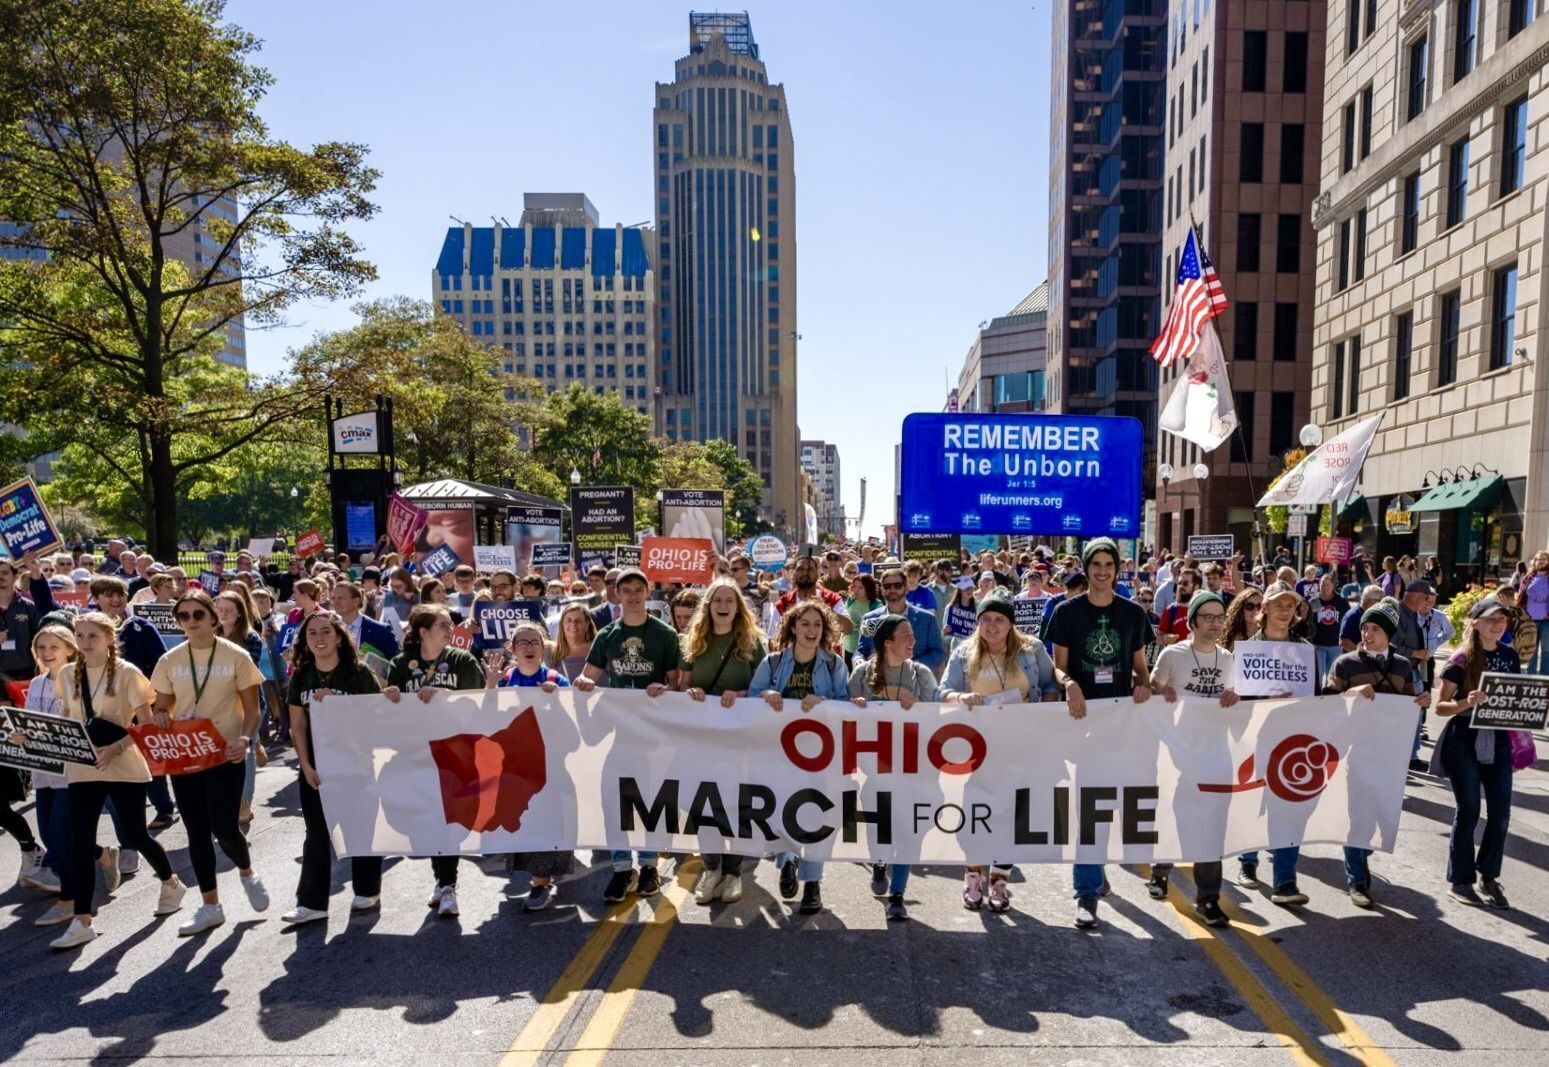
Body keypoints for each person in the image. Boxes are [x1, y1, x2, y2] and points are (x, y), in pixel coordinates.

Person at [43, 613, 188, 948]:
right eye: (80, 636)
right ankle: (82, 921)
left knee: (136, 835)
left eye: (92, 635)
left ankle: (170, 881)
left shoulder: (127, 673)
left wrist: (115, 748)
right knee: (80, 842)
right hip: (83, 767)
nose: (85, 642)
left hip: (123, 765)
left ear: (109, 638)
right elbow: (68, 717)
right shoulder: (68, 674)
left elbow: (146, 725)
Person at [1046, 538, 1155, 929]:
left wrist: (1143, 685)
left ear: (1118, 568)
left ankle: (1097, 868)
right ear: (1086, 567)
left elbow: (1141, 667)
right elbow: (1057, 668)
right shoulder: (1065, 612)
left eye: (1110, 564)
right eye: (1097, 564)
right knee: (1090, 807)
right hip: (1082, 722)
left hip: (1122, 723)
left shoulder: (1132, 614)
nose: (1103, 571)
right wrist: (1069, 683)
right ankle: (1086, 893)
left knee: (1116, 805)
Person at [149, 590, 269, 936]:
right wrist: (160, 716)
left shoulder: (235, 655)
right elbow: (163, 706)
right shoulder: (170, 660)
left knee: (225, 827)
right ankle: (210, 905)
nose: (191, 622)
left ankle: (247, 871)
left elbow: (253, 708)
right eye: (183, 616)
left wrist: (245, 740)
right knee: (196, 831)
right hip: (185, 754)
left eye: (197, 615)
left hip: (224, 753)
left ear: (213, 617)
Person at [572, 567, 680, 903]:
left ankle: (648, 866)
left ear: (647, 593)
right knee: (614, 800)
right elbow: (588, 678)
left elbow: (676, 682)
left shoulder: (664, 634)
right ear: (616, 595)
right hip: (617, 734)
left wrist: (665, 687)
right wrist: (585, 683)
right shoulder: (607, 636)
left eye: (638, 589)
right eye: (626, 590)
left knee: (651, 799)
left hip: (653, 732)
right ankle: (622, 868)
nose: (632, 595)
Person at [382, 604, 489, 917]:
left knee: (449, 820)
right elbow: (394, 711)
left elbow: (478, 704)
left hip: (455, 754)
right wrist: (389, 697)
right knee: (426, 822)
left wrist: (443, 693)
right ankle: (442, 880)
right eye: (442, 624)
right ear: (423, 632)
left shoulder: (462, 660)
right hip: (415, 754)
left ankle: (448, 885)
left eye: (449, 624)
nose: (449, 629)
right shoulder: (401, 664)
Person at [1322, 599, 1431, 908]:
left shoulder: (1402, 666)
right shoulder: (1345, 663)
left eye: (1375, 629)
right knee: (1356, 817)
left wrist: (1420, 702)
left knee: (1376, 817)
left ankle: (1362, 854)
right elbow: (1325, 705)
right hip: (1353, 752)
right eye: (1365, 628)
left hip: (1388, 755)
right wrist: (1349, 694)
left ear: (1389, 634)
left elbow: (1407, 706)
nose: (1368, 635)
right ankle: (1356, 879)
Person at [281, 610, 385, 925]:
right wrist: (305, 764)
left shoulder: (359, 673)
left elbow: (375, 719)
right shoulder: (301, 675)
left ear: (339, 637)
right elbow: (297, 725)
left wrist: (340, 707)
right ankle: (312, 903)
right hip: (317, 764)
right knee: (316, 832)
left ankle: (367, 889)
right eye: (312, 634)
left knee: (361, 826)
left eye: (326, 632)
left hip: (356, 762)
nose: (320, 639)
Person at [749, 601, 852, 915]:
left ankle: (813, 885)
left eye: (817, 625)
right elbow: (752, 696)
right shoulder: (774, 662)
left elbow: (844, 704)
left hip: (820, 757)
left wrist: (823, 701)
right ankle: (787, 861)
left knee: (816, 818)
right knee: (782, 813)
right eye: (805, 624)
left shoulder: (834, 665)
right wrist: (766, 695)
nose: (812, 630)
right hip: (780, 756)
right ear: (792, 627)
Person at [1145, 591, 1240, 924]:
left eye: (1220, 617)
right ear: (1193, 622)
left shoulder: (1228, 659)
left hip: (1215, 754)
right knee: (1174, 814)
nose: (1215, 623)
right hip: (1177, 753)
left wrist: (1233, 697)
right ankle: (1160, 869)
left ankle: (1208, 899)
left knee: (1211, 824)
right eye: (1208, 617)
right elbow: (1148, 693)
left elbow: (1235, 706)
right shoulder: (1173, 655)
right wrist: (1161, 692)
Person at [678, 579, 768, 905]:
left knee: (738, 804)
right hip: (702, 738)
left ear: (738, 606)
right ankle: (711, 868)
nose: (724, 604)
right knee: (704, 803)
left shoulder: (752, 642)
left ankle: (733, 873)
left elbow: (765, 688)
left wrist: (743, 695)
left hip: (740, 737)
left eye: (730, 599)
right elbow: (683, 685)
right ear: (709, 604)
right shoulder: (694, 640)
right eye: (718, 599)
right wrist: (690, 692)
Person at [847, 613, 940, 922]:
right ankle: (879, 861)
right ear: (888, 643)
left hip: (915, 771)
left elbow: (936, 719)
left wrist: (919, 708)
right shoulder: (861, 675)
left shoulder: (922, 674)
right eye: (905, 636)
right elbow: (842, 715)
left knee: (910, 831)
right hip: (877, 772)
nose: (913, 641)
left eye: (913, 635)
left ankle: (897, 894)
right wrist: (857, 707)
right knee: (879, 831)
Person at [1433, 598, 1519, 908]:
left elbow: (1513, 697)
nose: (1497, 624)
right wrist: (1466, 703)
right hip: (1463, 740)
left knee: (1501, 814)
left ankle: (1488, 876)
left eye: (1502, 619)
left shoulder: (1510, 656)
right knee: (1468, 811)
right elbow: (1440, 707)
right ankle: (1460, 881)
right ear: (1475, 624)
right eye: (1490, 619)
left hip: (1497, 740)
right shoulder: (1460, 659)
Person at [1234, 581, 1316, 905]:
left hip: (1291, 743)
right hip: (1254, 739)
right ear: (1264, 609)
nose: (1284, 611)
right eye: (1278, 604)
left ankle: (1285, 882)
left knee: (1289, 810)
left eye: (1289, 605)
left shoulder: (1305, 651)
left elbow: (1317, 699)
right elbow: (1237, 699)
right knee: (1253, 805)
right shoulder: (1247, 650)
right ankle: (1248, 864)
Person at [493, 620, 575, 912]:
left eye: (535, 642)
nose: (529, 648)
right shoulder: (502, 680)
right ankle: (537, 877)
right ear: (513, 649)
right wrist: (490, 684)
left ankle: (541, 883)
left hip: (548, 768)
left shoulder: (556, 679)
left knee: (547, 821)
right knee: (523, 823)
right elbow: (485, 720)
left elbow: (572, 728)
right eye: (523, 643)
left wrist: (557, 701)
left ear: (544, 648)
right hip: (514, 769)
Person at [858, 567, 946, 674]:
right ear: (882, 590)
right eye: (887, 586)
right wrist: (859, 661)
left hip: (914, 683)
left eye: (898, 586)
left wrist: (911, 666)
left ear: (906, 588)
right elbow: (860, 651)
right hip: (879, 682)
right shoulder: (869, 619)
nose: (892, 590)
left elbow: (938, 653)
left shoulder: (927, 619)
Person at [330, 581, 400, 662]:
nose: (335, 602)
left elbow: (395, 663)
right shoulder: (330, 628)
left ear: (356, 601)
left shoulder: (381, 630)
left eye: (340, 598)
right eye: (333, 598)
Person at [1309, 575, 1350, 682]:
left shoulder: (1342, 602)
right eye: (1322, 584)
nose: (1325, 587)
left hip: (1335, 645)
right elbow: (1308, 622)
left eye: (1327, 585)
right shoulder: (1314, 601)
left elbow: (1348, 621)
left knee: (1332, 677)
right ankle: (1317, 697)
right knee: (1317, 675)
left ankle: (1329, 697)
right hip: (1317, 644)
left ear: (1333, 586)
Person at [550, 601, 602, 685]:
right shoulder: (553, 652)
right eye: (569, 620)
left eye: (578, 621)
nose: (573, 624)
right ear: (562, 624)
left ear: (587, 624)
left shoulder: (600, 649)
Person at [842, 573, 882, 664]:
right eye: (854, 586)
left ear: (868, 589)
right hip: (848, 648)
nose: (856, 590)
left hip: (866, 651)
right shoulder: (850, 600)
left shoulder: (876, 605)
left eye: (860, 588)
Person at [1521, 550, 1549, 674]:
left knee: (1547, 650)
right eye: (1538, 559)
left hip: (1547, 621)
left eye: (1544, 558)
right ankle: (1529, 676)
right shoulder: (1528, 578)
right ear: (1534, 561)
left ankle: (1545, 678)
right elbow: (1521, 598)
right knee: (1530, 649)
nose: (1541, 561)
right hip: (1529, 620)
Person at [1339, 585, 1386, 653]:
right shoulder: (1353, 616)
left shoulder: (1373, 615)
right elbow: (1343, 641)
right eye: (1379, 600)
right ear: (1369, 600)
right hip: (1354, 660)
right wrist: (1362, 653)